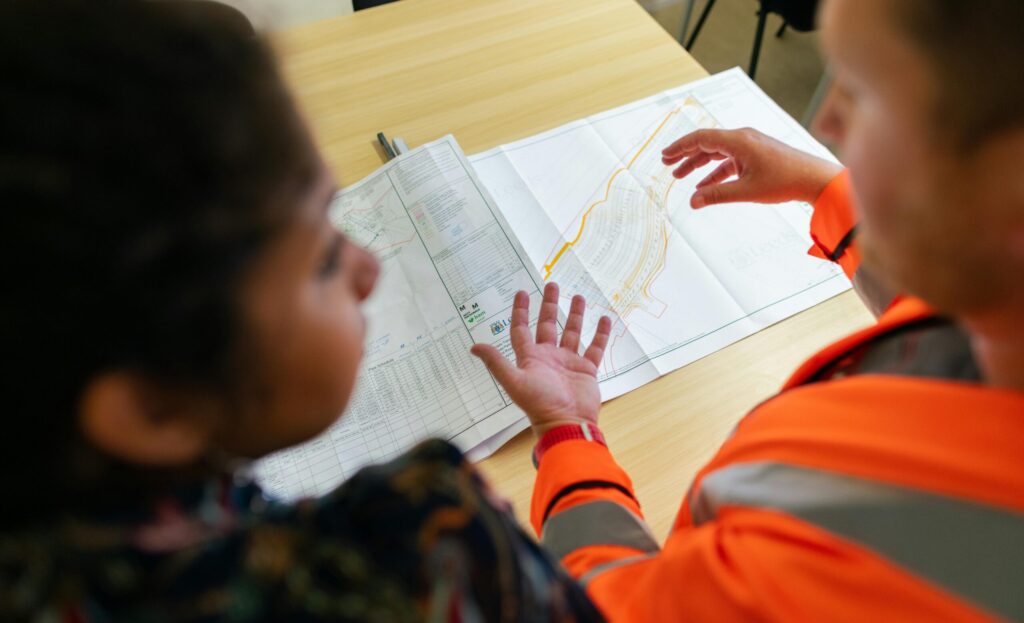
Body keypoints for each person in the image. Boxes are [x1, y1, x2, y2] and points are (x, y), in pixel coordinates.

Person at [0, 1, 604, 621]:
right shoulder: (424, 551)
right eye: (321, 259)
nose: (368, 270)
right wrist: (572, 439)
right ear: (159, 408)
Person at [470, 0, 1024, 620]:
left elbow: (609, 606)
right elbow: (951, 301)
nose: (826, 120)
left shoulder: (836, 556)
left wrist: (569, 436)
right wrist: (823, 186)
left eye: (866, 93)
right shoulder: (997, 311)